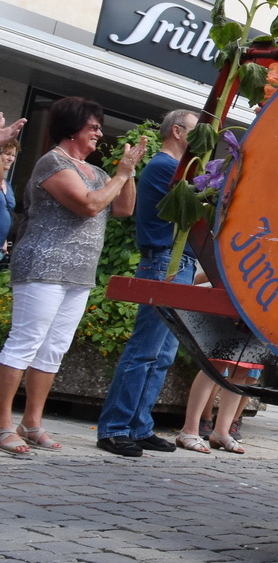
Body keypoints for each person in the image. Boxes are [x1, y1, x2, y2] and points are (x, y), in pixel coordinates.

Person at [0, 98, 145, 456]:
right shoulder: (52, 162)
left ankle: (32, 423)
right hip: (43, 267)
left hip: (78, 274)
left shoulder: (95, 172)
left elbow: (124, 209)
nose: (99, 132)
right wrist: (122, 174)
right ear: (73, 128)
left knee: (53, 350)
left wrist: (128, 172)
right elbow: (89, 205)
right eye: (93, 126)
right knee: (25, 342)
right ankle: (3, 423)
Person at [93, 110, 200, 457]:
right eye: (196, 132)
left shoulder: (173, 167)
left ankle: (138, 425)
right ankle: (116, 428)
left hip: (176, 261)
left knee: (163, 353)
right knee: (145, 351)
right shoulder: (165, 167)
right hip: (164, 262)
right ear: (178, 131)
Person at [0, 138, 17, 259]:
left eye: (13, 155)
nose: (11, 159)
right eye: (7, 154)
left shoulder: (7, 183)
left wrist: (5, 239)